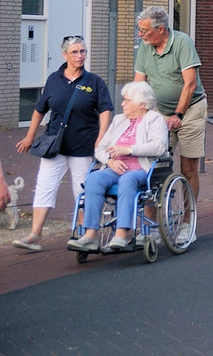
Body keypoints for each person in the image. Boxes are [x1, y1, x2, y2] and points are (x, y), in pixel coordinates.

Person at [13, 36, 114, 252]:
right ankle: (34, 235)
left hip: (83, 145)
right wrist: (30, 136)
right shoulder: (53, 79)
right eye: (75, 52)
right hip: (55, 145)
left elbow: (105, 109)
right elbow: (40, 109)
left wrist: (101, 136)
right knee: (44, 187)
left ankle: (83, 234)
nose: (80, 56)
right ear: (65, 55)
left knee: (82, 190)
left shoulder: (94, 82)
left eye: (83, 51)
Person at [66, 82, 168, 253]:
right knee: (93, 179)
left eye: (127, 100)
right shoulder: (119, 120)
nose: (122, 104)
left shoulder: (154, 119)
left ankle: (120, 234)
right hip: (115, 168)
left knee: (128, 180)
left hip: (142, 170)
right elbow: (99, 148)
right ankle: (90, 235)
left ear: (142, 104)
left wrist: (128, 150)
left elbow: (159, 147)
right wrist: (110, 161)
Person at [133, 5, 207, 211]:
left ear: (161, 30)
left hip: (190, 109)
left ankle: (187, 220)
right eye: (140, 30)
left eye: (144, 31)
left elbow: (190, 83)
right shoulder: (145, 48)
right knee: (152, 166)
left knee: (187, 168)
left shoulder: (183, 42)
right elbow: (139, 85)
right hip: (159, 111)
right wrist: (137, 115)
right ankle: (151, 225)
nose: (140, 35)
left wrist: (178, 114)